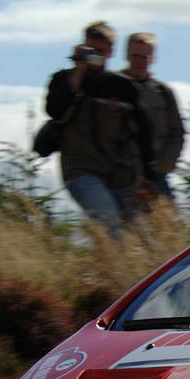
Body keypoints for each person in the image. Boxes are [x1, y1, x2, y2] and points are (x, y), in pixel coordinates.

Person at [46, 20, 155, 238]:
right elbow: (55, 111)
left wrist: (147, 178)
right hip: (80, 169)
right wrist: (79, 69)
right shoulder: (63, 80)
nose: (97, 55)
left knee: (141, 238)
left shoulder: (122, 86)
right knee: (109, 222)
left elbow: (143, 134)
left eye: (102, 51)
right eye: (92, 50)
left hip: (120, 174)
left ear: (111, 52)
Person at [121, 32, 183, 202]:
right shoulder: (113, 85)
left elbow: (177, 132)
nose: (139, 61)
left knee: (167, 216)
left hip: (155, 173)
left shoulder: (163, 92)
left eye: (144, 57)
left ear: (152, 59)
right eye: (135, 55)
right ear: (127, 55)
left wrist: (166, 164)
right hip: (122, 174)